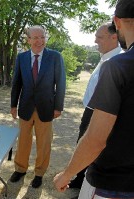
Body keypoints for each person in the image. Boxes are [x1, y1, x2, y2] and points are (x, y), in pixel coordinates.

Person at [54, 0, 134, 198]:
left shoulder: (118, 67)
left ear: (117, 22)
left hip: (114, 184)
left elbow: (96, 140)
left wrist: (66, 175)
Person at [10, 25, 66, 188]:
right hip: (25, 107)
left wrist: (58, 107)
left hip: (46, 107)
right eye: (35, 38)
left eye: (42, 37)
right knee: (23, 141)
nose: (39, 41)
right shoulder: (22, 57)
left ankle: (39, 173)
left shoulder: (55, 57)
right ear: (28, 40)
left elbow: (61, 83)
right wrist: (13, 105)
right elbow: (16, 83)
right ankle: (20, 169)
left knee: (44, 143)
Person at [68, 22, 122, 189]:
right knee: (82, 143)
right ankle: (79, 180)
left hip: (100, 112)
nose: (95, 41)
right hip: (90, 110)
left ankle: (86, 185)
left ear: (114, 37)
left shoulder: (117, 62)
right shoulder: (105, 57)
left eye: (100, 37)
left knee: (91, 147)